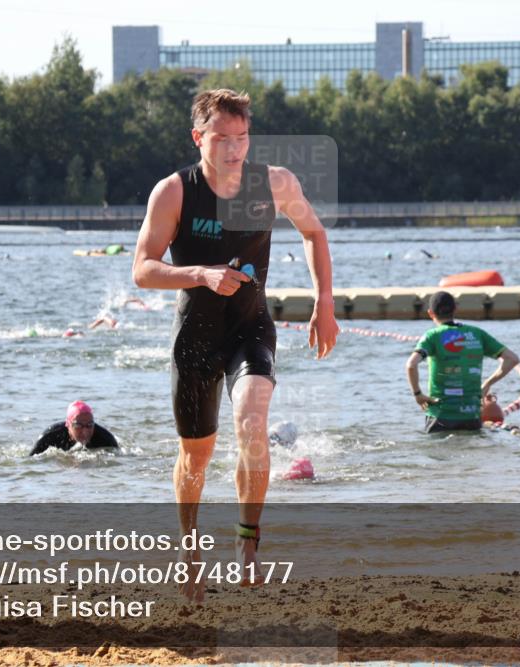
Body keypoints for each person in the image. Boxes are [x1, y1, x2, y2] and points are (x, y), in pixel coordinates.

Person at [132, 88, 339, 602]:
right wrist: (198, 274)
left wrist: (325, 302)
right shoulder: (174, 192)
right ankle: (189, 550)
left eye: (242, 138)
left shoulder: (274, 183)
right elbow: (142, 269)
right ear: (199, 137)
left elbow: (314, 233)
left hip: (250, 327)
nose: (234, 149)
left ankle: (248, 545)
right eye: (222, 138)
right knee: (195, 458)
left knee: (252, 422)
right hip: (196, 336)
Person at [406, 291, 520, 433]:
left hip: (441, 415)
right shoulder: (477, 333)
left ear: (430, 313)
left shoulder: (432, 336)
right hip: (471, 416)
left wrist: (418, 394)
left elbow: (411, 365)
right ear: (455, 309)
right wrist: (487, 384)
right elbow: (512, 359)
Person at [29, 400, 118, 455]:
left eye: (89, 425)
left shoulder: (106, 438)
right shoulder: (50, 437)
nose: (85, 431)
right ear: (68, 424)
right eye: (78, 426)